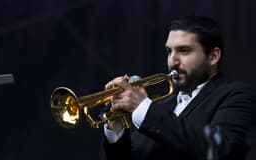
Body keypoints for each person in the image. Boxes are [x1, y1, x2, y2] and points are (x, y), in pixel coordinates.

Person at [99, 15, 256, 160]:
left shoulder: (237, 95)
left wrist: (143, 108)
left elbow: (220, 149)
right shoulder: (163, 106)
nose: (172, 61)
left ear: (213, 56)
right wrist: (116, 130)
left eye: (184, 51)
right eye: (169, 51)